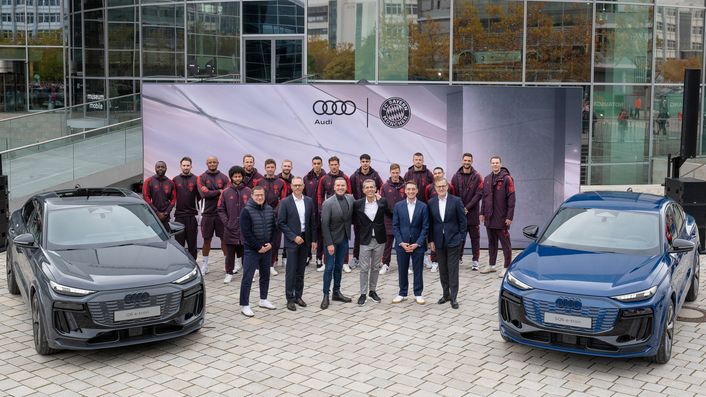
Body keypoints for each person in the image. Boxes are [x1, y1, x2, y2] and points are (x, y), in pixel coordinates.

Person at [277, 176, 316, 311]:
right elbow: (281, 222)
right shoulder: (285, 202)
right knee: (291, 271)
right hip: (292, 241)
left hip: (305, 240)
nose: (298, 187)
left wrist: (314, 240)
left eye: (300, 185)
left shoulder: (309, 201)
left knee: (301, 270)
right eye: (295, 185)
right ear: (291, 187)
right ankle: (290, 298)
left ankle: (298, 296)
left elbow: (312, 222)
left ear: (303, 186)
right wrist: (293, 237)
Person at [428, 178, 466, 309]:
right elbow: (431, 223)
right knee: (443, 269)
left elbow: (463, 221)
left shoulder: (456, 201)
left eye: (443, 186)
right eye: (439, 186)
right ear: (435, 188)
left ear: (447, 186)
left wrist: (461, 238)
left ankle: (454, 297)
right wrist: (431, 240)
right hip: (438, 241)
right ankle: (446, 294)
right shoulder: (431, 202)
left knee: (453, 269)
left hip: (454, 240)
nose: (441, 188)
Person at [238, 185, 277, 317]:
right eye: (257, 195)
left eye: (262, 195)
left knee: (265, 275)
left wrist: (271, 244)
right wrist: (258, 247)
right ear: (252, 196)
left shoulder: (269, 209)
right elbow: (246, 232)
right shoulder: (246, 211)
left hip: (267, 249)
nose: (260, 197)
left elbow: (274, 229)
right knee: (248, 277)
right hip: (252, 250)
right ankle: (244, 305)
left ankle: (263, 299)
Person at [392, 181, 429, 304]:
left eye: (413, 189)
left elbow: (425, 227)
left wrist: (418, 243)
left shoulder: (423, 206)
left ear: (417, 191)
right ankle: (402, 293)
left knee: (418, 269)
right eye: (409, 189)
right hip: (402, 244)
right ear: (405, 191)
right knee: (402, 269)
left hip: (418, 245)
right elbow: (395, 226)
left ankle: (418, 293)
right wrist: (401, 242)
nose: (411, 191)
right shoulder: (398, 206)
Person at [320, 177, 354, 309]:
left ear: (346, 187)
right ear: (334, 187)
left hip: (344, 240)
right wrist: (329, 244)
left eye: (343, 185)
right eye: (338, 185)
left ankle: (336, 292)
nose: (340, 188)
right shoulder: (328, 203)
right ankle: (325, 295)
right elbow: (324, 225)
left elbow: (361, 206)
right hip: (331, 241)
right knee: (329, 268)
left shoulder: (350, 199)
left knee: (339, 266)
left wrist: (375, 198)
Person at [352, 179, 387, 305]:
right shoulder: (358, 204)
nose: (369, 189)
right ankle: (363, 293)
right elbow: (353, 218)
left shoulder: (382, 201)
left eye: (372, 187)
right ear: (363, 190)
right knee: (364, 268)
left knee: (375, 267)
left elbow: (389, 213)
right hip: (365, 240)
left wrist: (381, 201)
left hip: (379, 239)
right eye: (367, 187)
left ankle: (372, 291)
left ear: (376, 188)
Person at [480, 156, 516, 278]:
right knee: (491, 243)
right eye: (493, 163)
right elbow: (484, 198)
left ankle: (507, 266)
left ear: (500, 164)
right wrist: (482, 213)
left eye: (497, 163)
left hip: (501, 218)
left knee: (505, 244)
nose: (495, 165)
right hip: (489, 217)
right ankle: (491, 265)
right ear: (490, 164)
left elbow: (512, 198)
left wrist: (509, 216)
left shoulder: (507, 179)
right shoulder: (487, 179)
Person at [317, 156, 353, 272]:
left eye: (335, 164)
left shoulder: (345, 177)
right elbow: (320, 195)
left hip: (343, 213)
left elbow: (350, 194)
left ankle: (345, 262)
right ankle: (325, 261)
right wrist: (321, 209)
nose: (334, 166)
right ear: (329, 166)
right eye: (331, 164)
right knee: (326, 237)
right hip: (329, 211)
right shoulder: (324, 178)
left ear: (339, 165)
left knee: (344, 238)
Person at [349, 154, 383, 270]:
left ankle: (376, 261)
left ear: (370, 162)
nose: (365, 163)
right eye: (363, 161)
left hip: (372, 209)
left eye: (367, 161)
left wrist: (378, 196)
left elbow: (381, 188)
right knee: (359, 236)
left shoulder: (375, 175)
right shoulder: (354, 176)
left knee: (374, 236)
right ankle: (355, 258)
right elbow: (350, 192)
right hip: (359, 211)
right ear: (360, 162)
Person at [217, 166, 251, 283]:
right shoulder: (226, 192)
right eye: (235, 176)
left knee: (246, 253)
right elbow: (220, 209)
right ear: (231, 177)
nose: (237, 178)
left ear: (242, 177)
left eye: (239, 176)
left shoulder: (248, 191)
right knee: (230, 253)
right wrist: (227, 223)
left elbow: (253, 208)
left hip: (245, 229)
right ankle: (229, 273)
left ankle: (247, 274)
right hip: (230, 229)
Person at [197, 156, 230, 274]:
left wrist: (211, 191)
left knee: (224, 240)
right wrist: (218, 191)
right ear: (206, 163)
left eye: (214, 162)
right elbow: (203, 194)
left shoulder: (224, 177)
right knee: (206, 240)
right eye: (210, 162)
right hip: (207, 214)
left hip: (221, 214)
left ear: (218, 163)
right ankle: (205, 265)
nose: (212, 164)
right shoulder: (201, 177)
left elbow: (225, 194)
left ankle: (227, 265)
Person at [450, 153, 483, 270]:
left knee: (475, 239)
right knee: (460, 238)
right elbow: (452, 194)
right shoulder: (455, 176)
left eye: (469, 160)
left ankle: (475, 260)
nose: (467, 162)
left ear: (472, 161)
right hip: (459, 214)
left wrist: (467, 207)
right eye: (465, 160)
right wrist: (460, 208)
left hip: (472, 214)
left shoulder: (478, 176)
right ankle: (459, 258)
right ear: (462, 161)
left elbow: (479, 194)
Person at [256, 159, 288, 275]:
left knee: (275, 240)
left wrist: (274, 211)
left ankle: (271, 264)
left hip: (276, 215)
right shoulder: (259, 181)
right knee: (261, 239)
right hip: (261, 214)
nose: (270, 169)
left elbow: (283, 199)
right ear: (265, 168)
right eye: (268, 167)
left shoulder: (281, 182)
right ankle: (259, 266)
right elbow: (256, 197)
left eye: (272, 167)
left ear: (275, 168)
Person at [423, 166, 455, 272]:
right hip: (435, 219)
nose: (437, 175)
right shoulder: (429, 187)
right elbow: (427, 199)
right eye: (435, 173)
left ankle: (448, 262)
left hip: (448, 220)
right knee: (434, 242)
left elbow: (453, 199)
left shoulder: (449, 186)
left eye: (439, 173)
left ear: (443, 173)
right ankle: (435, 262)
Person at [379, 163, 406, 275]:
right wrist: (390, 214)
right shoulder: (385, 186)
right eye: (393, 173)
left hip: (402, 220)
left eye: (397, 172)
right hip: (388, 219)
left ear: (399, 172)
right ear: (390, 173)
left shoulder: (405, 186)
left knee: (403, 243)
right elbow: (382, 203)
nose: (395, 175)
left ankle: (404, 265)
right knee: (387, 244)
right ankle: (386, 264)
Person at [173, 156, 199, 260]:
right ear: (180, 166)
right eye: (184, 165)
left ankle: (193, 264)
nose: (186, 167)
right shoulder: (175, 180)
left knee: (192, 244)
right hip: (179, 216)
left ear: (191, 166)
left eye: (188, 165)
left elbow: (201, 196)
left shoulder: (197, 179)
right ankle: (181, 264)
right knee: (179, 244)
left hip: (191, 216)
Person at [304, 156, 326, 271]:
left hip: (322, 211)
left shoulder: (326, 178)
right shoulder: (307, 178)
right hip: (310, 211)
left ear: (321, 164)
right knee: (308, 234)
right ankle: (308, 256)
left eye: (318, 163)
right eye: (315, 163)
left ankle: (319, 258)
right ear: (312, 164)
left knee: (321, 236)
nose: (316, 165)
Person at [143, 160, 176, 232]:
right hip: (153, 216)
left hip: (166, 217)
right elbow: (146, 198)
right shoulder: (148, 181)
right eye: (158, 167)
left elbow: (173, 200)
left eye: (162, 167)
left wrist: (166, 213)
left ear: (166, 168)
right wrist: (156, 212)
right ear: (155, 168)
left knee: (167, 238)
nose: (160, 168)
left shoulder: (170, 183)